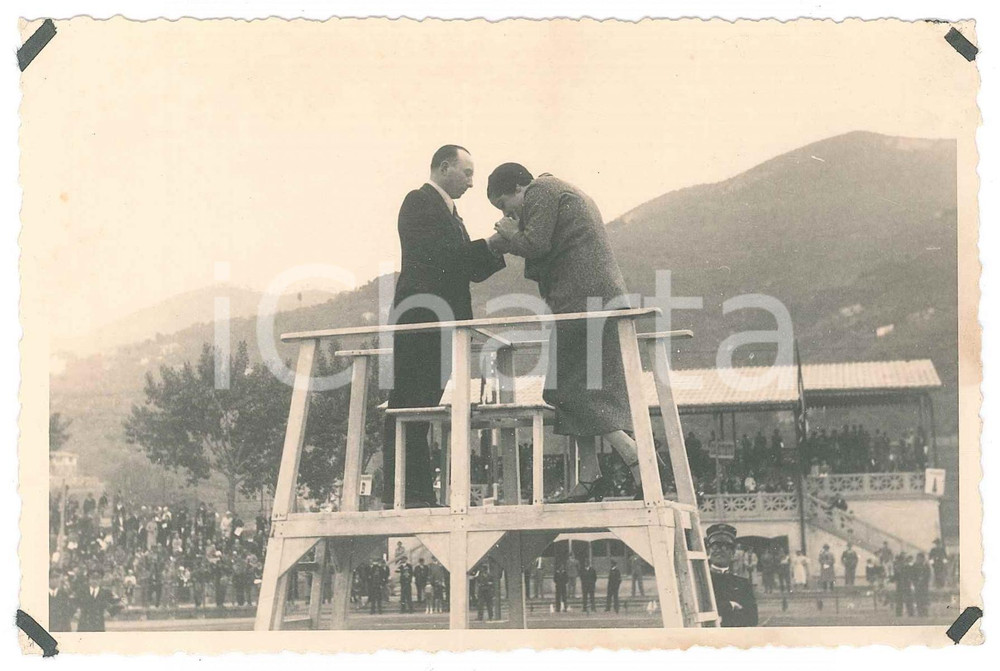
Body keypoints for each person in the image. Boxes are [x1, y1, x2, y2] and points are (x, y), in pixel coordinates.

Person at [488, 164, 647, 502]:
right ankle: (591, 476)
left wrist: (509, 233)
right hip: (593, 297)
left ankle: (636, 458)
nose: (508, 213)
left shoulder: (541, 191)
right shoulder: (558, 191)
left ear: (519, 186)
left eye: (504, 204)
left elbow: (536, 245)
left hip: (584, 299)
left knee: (566, 389)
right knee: (567, 387)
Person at [384, 145, 507, 509]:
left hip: (441, 324)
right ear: (443, 167)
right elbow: (447, 261)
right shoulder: (419, 202)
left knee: (421, 407)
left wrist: (500, 247)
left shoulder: (450, 213)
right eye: (467, 173)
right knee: (409, 406)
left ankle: (413, 493)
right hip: (422, 321)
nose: (472, 182)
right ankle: (405, 494)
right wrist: (494, 242)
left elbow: (467, 268)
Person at [705, 523, 758, 627]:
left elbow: (752, 619)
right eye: (715, 547)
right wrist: (730, 606)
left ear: (733, 553)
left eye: (726, 548)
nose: (719, 551)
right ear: (708, 551)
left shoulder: (742, 583)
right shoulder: (701, 580)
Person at [911, 553, 931, 617]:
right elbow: (912, 575)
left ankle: (925, 613)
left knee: (924, 599)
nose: (918, 559)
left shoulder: (926, 566)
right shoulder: (914, 565)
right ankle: (919, 613)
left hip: (924, 585)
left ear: (923, 558)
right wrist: (915, 582)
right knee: (918, 599)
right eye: (917, 558)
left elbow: (928, 575)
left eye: (919, 558)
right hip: (917, 585)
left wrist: (924, 580)